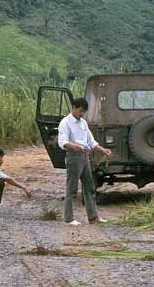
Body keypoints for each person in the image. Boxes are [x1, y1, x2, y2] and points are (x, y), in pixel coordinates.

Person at [58, 97, 112, 226]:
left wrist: (103, 150)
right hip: (73, 157)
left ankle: (93, 217)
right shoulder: (65, 123)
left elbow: (91, 141)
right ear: (74, 108)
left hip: (84, 157)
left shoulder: (83, 123)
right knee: (71, 189)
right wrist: (74, 146)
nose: (82, 114)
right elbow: (63, 142)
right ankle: (69, 219)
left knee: (89, 188)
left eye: (84, 112)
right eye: (80, 111)